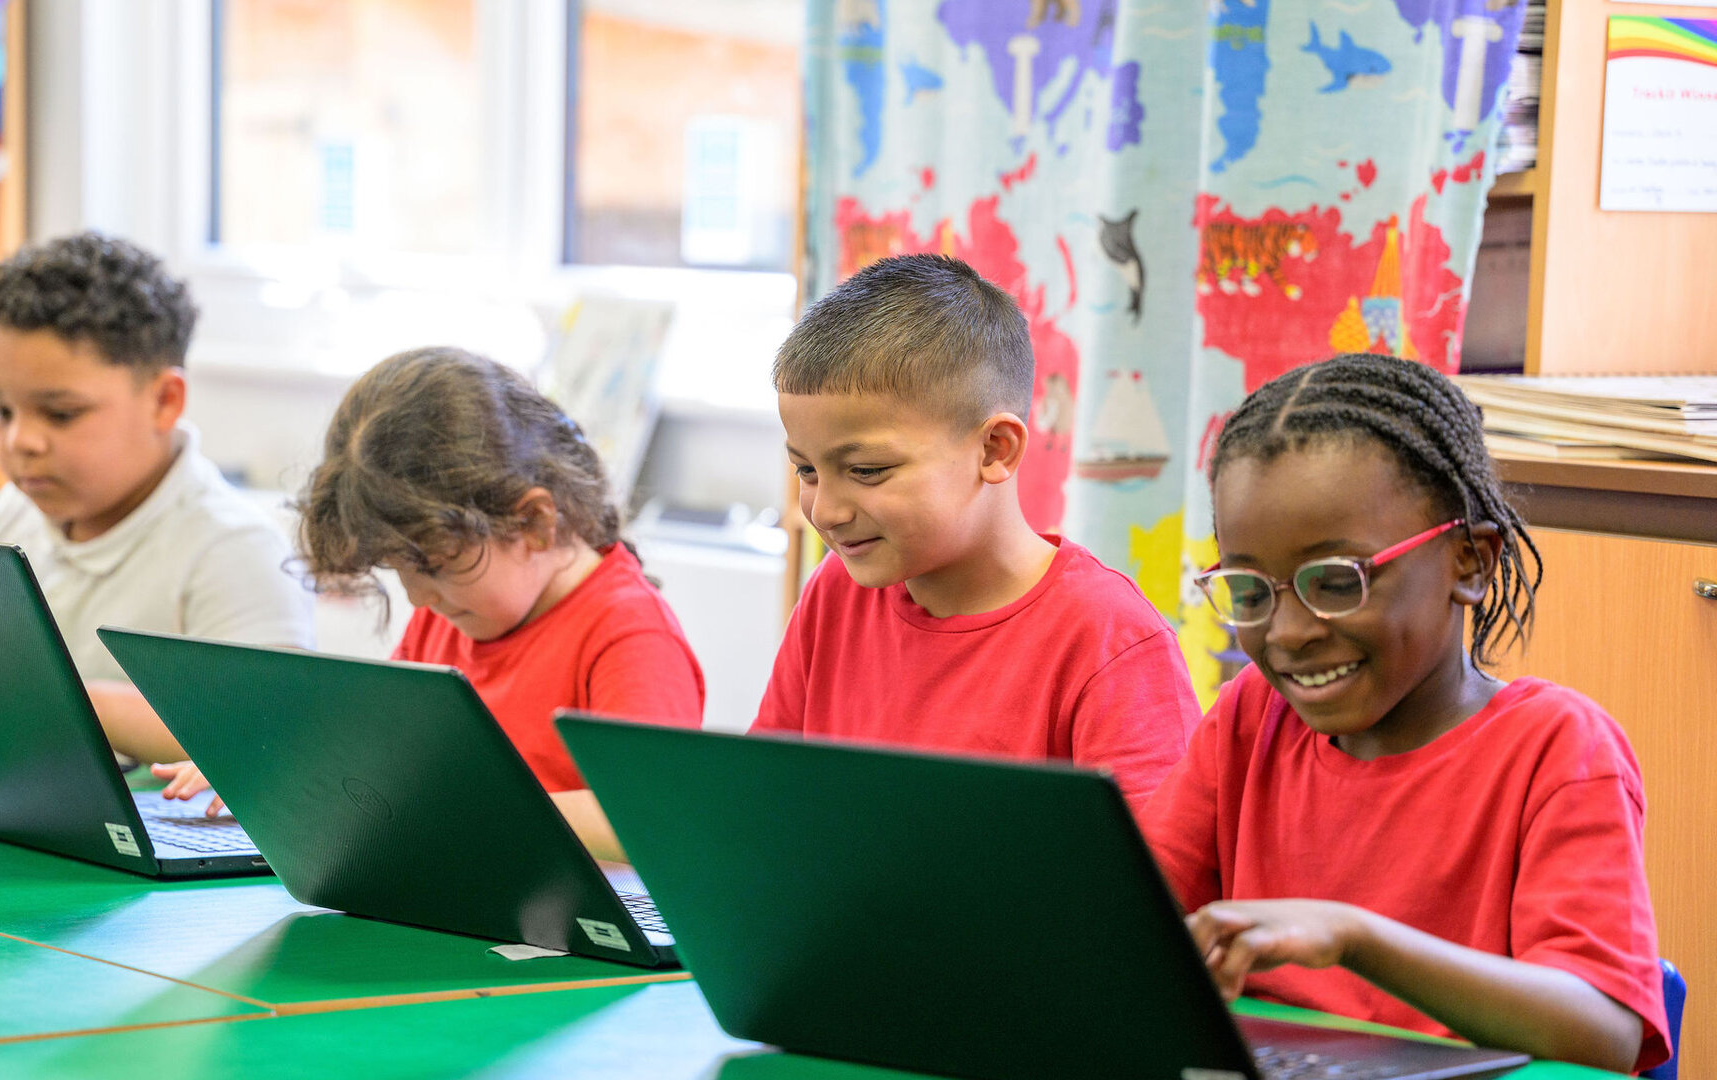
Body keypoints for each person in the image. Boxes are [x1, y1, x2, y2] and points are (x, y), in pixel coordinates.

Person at [1141, 354, 1668, 1072]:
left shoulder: (1558, 748)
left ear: (1469, 561)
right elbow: (1128, 929)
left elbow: (1602, 1032)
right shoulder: (1250, 718)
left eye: (1337, 582)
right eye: (1251, 591)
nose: (1288, 633)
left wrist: (1355, 939)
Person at [156, 347, 703, 860]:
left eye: (435, 566)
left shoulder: (629, 634)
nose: (417, 596)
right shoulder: (447, 618)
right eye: (399, 569)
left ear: (535, 523)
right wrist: (278, 770)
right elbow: (382, 757)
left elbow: (648, 820)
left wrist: (453, 812)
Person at [0, 232, 313, 764]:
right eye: (2, 410)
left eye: (61, 413)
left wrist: (61, 701)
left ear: (164, 401)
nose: (21, 440)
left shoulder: (234, 549)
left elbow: (272, 734)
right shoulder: (13, 514)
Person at [751, 254, 1198, 806]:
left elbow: (1154, 859)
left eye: (866, 471)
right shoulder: (834, 594)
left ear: (994, 450)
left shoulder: (1110, 638)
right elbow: (765, 800)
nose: (825, 512)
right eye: (806, 471)